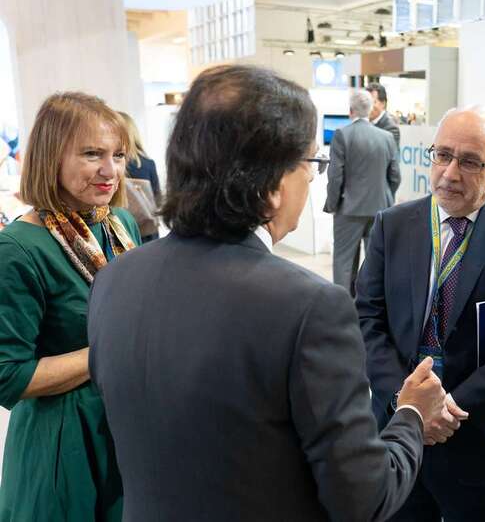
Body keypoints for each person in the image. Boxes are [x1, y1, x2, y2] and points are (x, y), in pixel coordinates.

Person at [87, 65, 446, 522]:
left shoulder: (115, 279)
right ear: (272, 185)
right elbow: (363, 498)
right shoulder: (309, 308)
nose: (313, 179)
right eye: (310, 163)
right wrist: (412, 415)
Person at [356, 106, 485, 522]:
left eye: (469, 161)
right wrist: (408, 405)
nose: (449, 173)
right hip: (400, 436)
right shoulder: (392, 225)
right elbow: (366, 322)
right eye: (442, 154)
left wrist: (446, 410)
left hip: (484, 436)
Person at [0, 92, 141, 521]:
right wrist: (107, 352)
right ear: (50, 157)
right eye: (92, 154)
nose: (110, 170)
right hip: (65, 440)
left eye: (118, 155)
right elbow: (9, 377)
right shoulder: (19, 248)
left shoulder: (120, 223)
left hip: (126, 427)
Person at [324, 89, 400, 295]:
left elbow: (335, 176)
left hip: (348, 209)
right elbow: (395, 175)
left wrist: (333, 204)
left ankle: (342, 309)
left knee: (344, 261)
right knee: (375, 262)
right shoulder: (386, 137)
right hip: (379, 209)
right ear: (369, 110)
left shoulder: (342, 135)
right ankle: (370, 306)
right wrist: (386, 198)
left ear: (351, 111)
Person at [117, 111, 162, 243]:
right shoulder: (148, 163)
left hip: (120, 230)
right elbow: (157, 198)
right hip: (147, 229)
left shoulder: (113, 164)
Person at [367, 82, 401, 148]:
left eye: (373, 102)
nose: (368, 106)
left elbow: (389, 155)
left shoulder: (391, 128)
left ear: (383, 103)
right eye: (366, 101)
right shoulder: (363, 122)